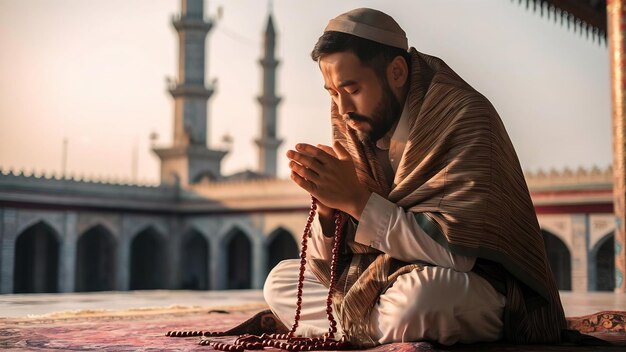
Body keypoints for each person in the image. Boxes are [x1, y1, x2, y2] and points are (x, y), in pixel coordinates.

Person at [263, 8, 566, 347]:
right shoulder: (353, 124)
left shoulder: (463, 115)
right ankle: (365, 327)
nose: (342, 107)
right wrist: (328, 210)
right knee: (280, 281)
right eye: (333, 93)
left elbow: (457, 255)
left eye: (352, 88)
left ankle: (346, 327)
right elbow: (329, 266)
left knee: (424, 298)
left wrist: (356, 202)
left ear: (396, 72)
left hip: (471, 284)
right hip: (381, 281)